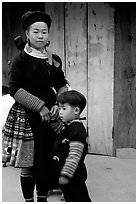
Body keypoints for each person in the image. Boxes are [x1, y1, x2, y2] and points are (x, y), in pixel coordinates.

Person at [2, 11, 68, 202]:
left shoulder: (53, 59)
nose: (40, 36)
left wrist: (58, 104)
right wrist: (40, 107)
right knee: (29, 161)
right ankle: (29, 200)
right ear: (27, 34)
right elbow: (15, 90)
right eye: (36, 32)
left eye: (44, 32)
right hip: (28, 114)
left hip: (51, 114)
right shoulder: (20, 60)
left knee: (48, 157)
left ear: (48, 34)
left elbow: (61, 84)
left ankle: (42, 198)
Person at [51, 90, 92, 202]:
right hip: (67, 173)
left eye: (64, 109)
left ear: (76, 110)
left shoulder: (77, 130)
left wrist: (66, 174)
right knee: (71, 197)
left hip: (73, 174)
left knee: (79, 198)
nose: (60, 112)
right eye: (59, 108)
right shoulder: (69, 125)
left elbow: (75, 154)